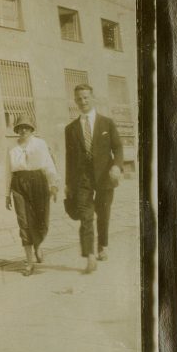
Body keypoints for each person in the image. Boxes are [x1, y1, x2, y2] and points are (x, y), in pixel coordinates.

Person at [65, 84, 124, 274]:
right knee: (86, 216)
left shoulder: (107, 123)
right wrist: (68, 183)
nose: (82, 101)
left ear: (92, 98)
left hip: (105, 175)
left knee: (103, 213)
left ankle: (102, 246)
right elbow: (70, 157)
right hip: (82, 178)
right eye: (79, 98)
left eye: (85, 97)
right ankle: (90, 254)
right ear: (75, 101)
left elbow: (118, 148)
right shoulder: (71, 128)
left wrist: (117, 166)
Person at [6, 114, 59, 276]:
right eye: (20, 127)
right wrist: (6, 194)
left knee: (41, 220)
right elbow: (8, 173)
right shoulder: (12, 149)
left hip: (38, 182)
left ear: (31, 129)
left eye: (26, 127)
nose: (23, 130)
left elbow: (49, 165)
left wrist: (54, 184)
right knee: (24, 222)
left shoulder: (40, 144)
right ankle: (29, 262)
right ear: (17, 130)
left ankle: (38, 246)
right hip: (19, 184)